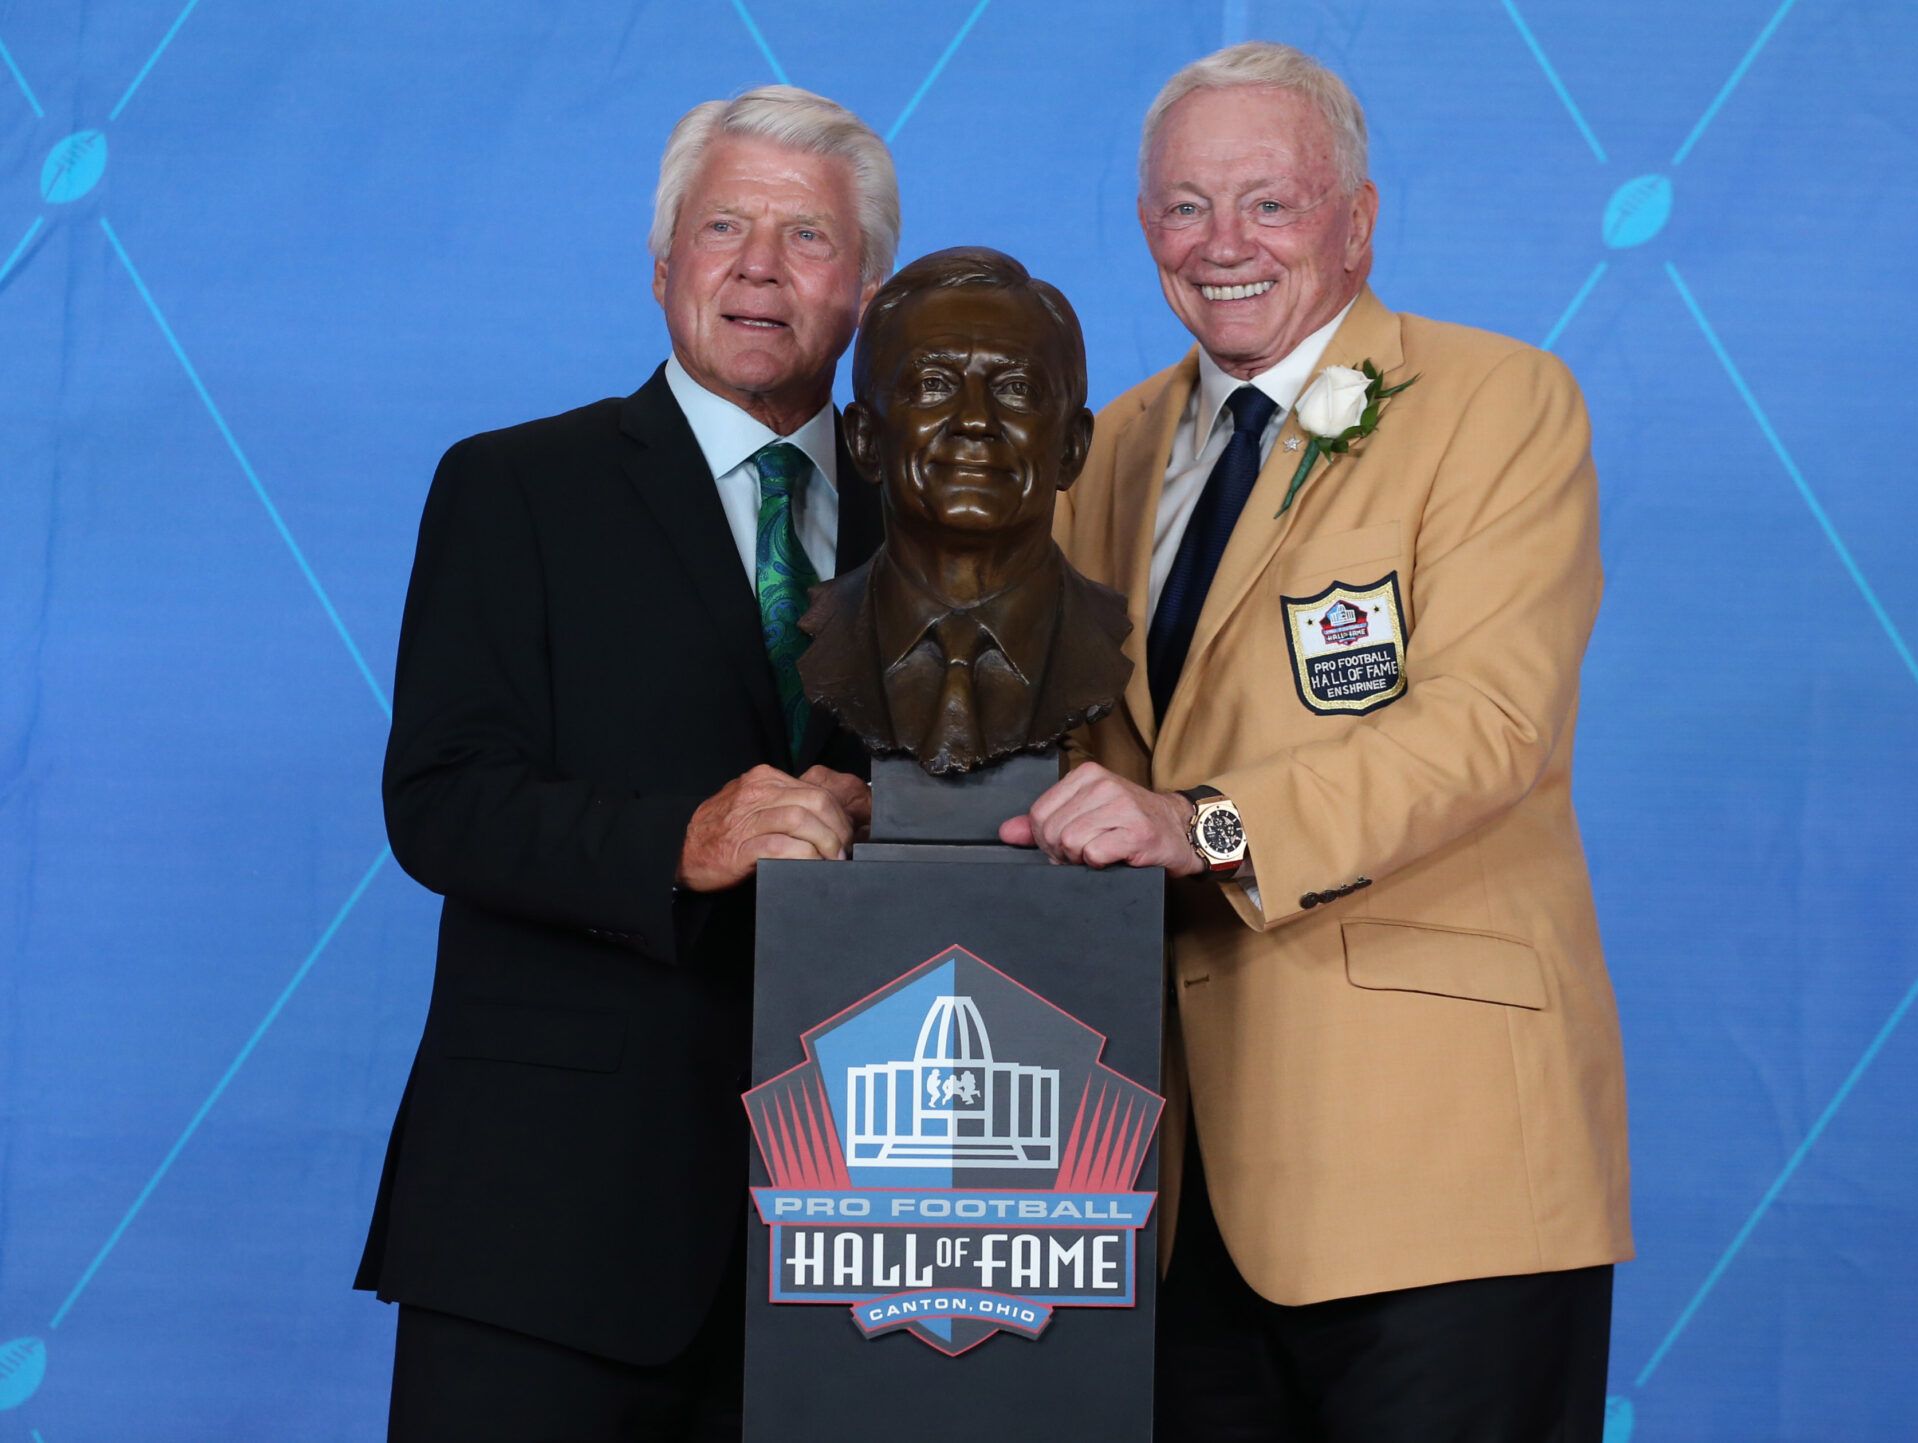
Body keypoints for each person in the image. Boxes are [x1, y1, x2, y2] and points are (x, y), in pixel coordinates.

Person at [1001, 42, 1632, 1441]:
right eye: (1182, 207)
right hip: (1167, 1190)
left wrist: (1203, 821)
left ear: (1357, 218)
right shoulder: (1098, 450)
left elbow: (1488, 725)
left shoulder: (1500, 406)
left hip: (1445, 1178)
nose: (1222, 245)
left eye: (1268, 204)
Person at [354, 85, 898, 1442]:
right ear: (663, 263)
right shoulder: (515, 487)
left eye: (806, 236)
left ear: (869, 287)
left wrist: (898, 817)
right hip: (545, 1229)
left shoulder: (940, 528)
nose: (759, 266)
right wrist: (684, 838)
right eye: (723, 225)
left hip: (853, 1243)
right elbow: (442, 799)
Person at [799, 246, 1131, 775]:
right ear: (865, 441)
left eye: (1016, 389)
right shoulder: (813, 635)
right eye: (933, 386)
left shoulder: (1116, 638)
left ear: (1071, 447)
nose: (975, 420)